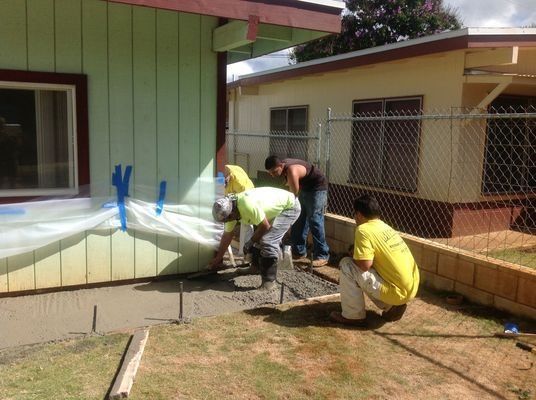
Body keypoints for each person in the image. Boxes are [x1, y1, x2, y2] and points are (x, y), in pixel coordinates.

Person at [330, 195, 420, 326]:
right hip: (410, 288)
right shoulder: (385, 227)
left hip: (396, 292)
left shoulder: (363, 229)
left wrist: (351, 256)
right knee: (368, 270)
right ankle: (392, 307)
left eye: (355, 214)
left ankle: (352, 316)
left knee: (347, 265)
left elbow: (364, 265)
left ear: (359, 214)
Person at [209, 187, 301, 290]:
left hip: (289, 207)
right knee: (259, 235)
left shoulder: (246, 205)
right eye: (225, 220)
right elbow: (227, 236)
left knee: (268, 240)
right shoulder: (230, 212)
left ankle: (269, 282)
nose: (228, 221)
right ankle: (255, 268)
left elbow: (265, 226)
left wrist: (250, 242)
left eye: (228, 218)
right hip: (273, 208)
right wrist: (218, 258)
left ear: (232, 211)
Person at [265, 155, 329, 267]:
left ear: (280, 165)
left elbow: (293, 195)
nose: (273, 175)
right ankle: (299, 251)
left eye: (274, 172)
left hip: (317, 188)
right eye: (270, 173)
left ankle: (322, 255)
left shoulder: (291, 170)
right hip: (306, 187)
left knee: (315, 220)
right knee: (299, 218)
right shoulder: (284, 166)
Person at [223, 164, 255, 257]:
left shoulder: (239, 182)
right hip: (235, 195)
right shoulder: (226, 178)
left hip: (248, 196)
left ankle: (246, 252)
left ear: (229, 176)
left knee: (247, 223)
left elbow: (245, 199)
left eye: (225, 181)